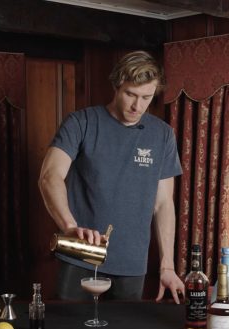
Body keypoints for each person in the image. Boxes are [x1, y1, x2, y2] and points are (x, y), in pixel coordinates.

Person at [38, 51, 185, 303]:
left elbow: (163, 204)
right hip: (80, 255)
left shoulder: (162, 135)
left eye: (146, 97)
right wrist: (69, 226)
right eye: (130, 94)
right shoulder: (81, 122)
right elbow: (50, 177)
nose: (137, 106)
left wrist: (167, 266)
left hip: (131, 264)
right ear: (117, 86)